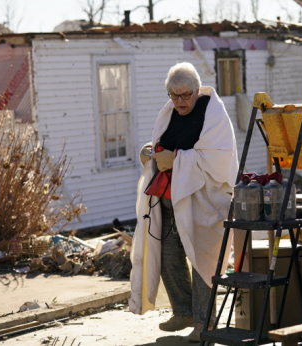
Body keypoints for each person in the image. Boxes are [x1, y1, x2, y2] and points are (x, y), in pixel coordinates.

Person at [129, 62, 238, 342]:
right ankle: (184, 311)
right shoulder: (169, 112)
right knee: (168, 257)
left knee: (203, 261)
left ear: (197, 90)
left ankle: (205, 322)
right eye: (174, 96)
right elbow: (165, 144)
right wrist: (151, 153)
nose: (180, 101)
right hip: (169, 200)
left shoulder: (213, 114)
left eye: (185, 95)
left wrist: (177, 159)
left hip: (203, 202)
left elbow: (220, 160)